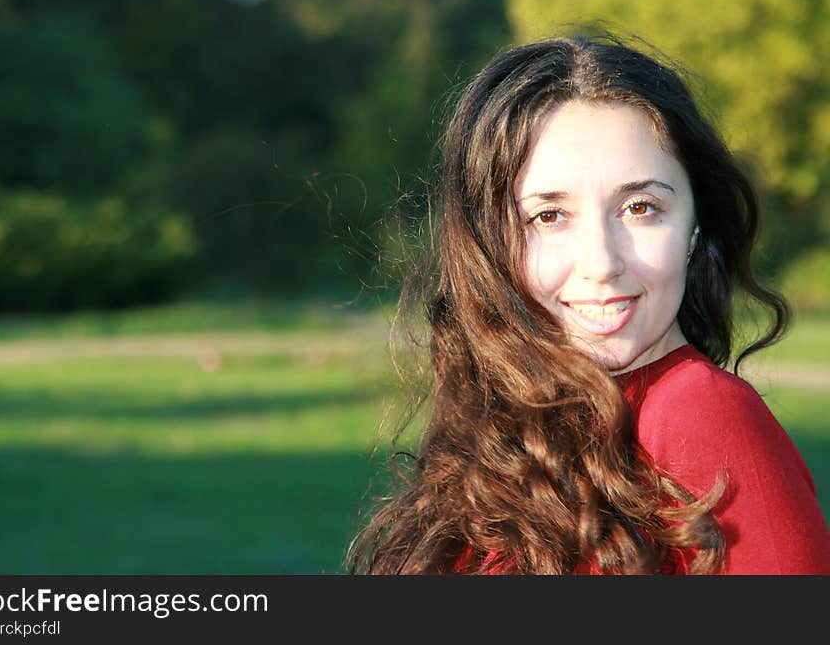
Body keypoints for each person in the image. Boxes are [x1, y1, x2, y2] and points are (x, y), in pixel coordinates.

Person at [345, 34, 830, 575]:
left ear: (695, 225)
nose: (601, 263)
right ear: (487, 242)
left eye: (640, 207)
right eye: (549, 216)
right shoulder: (506, 423)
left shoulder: (700, 413)